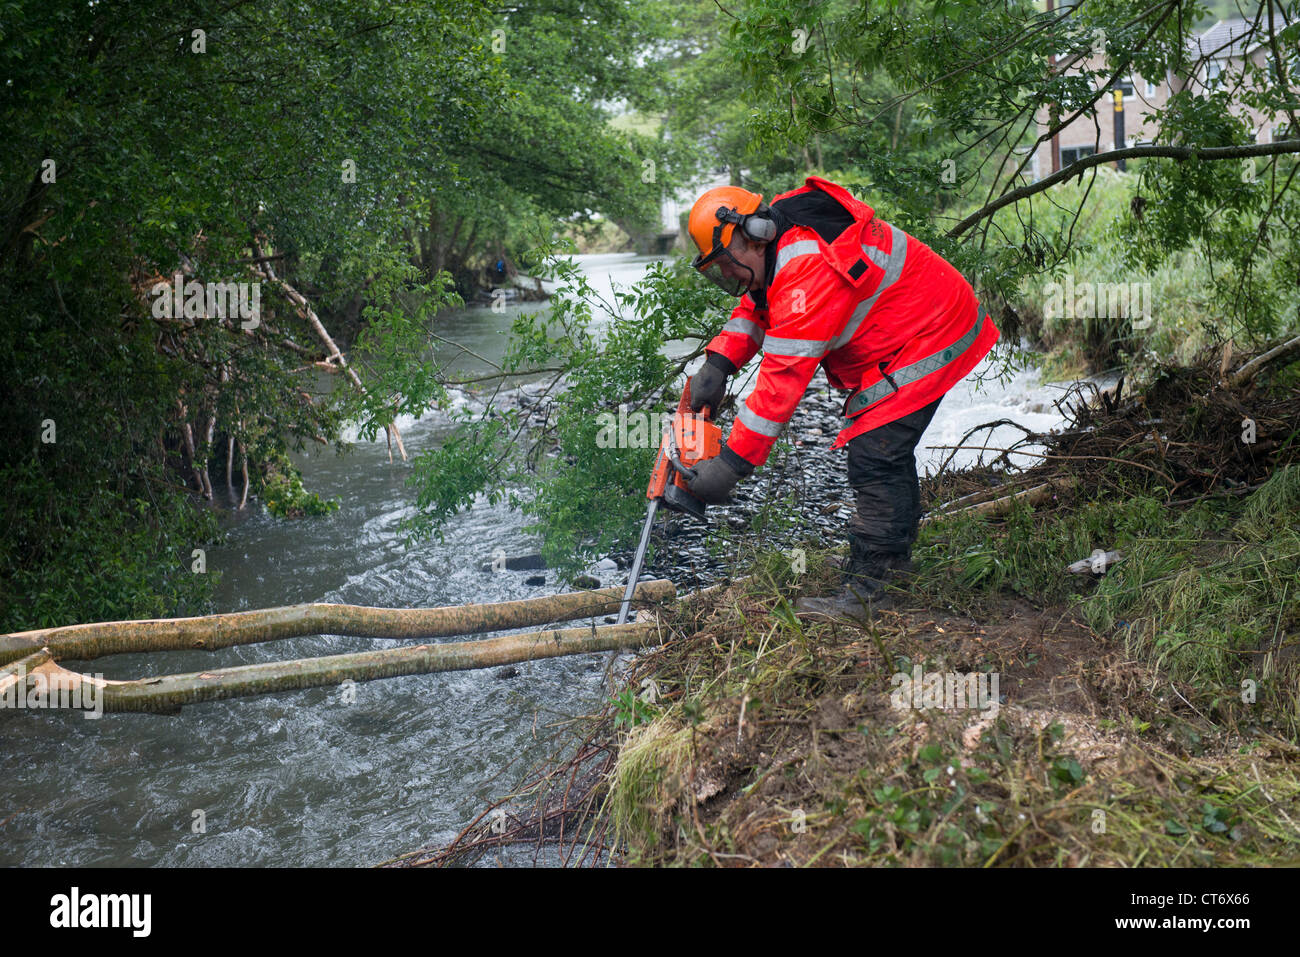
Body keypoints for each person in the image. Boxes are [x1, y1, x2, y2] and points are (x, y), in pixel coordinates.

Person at [682, 177, 999, 617]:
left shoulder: (805, 270)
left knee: (876, 456)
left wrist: (731, 465)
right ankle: (890, 564)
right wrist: (719, 363)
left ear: (749, 234)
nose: (728, 276)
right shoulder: (780, 238)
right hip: (917, 322)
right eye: (716, 270)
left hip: (930, 331)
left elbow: (782, 382)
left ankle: (874, 590)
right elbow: (760, 303)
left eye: (726, 264)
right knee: (884, 453)